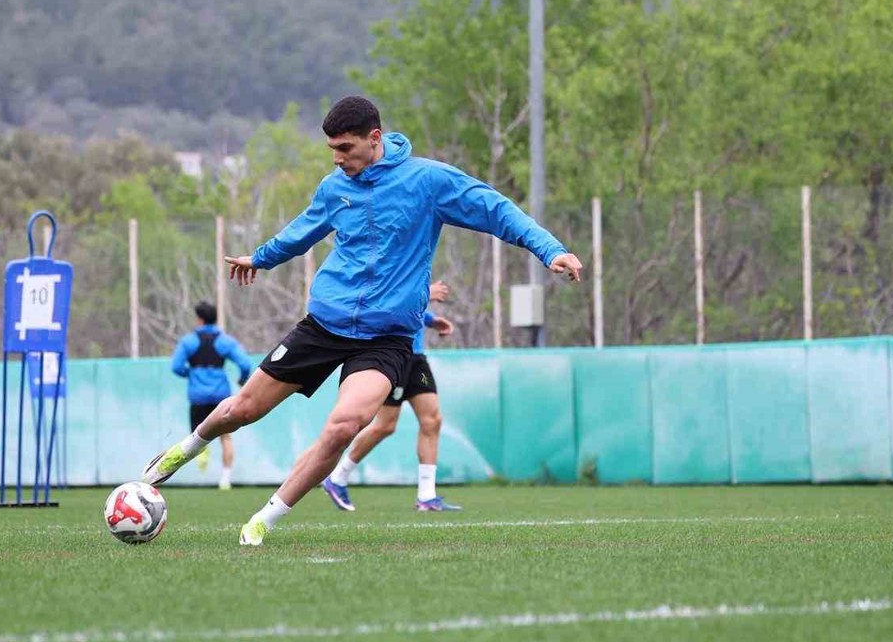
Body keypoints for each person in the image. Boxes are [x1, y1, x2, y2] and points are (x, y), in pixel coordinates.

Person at [141, 95, 582, 546]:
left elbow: (496, 210)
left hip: (386, 340)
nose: (337, 158)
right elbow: (302, 230)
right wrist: (261, 258)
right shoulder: (334, 187)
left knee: (343, 426)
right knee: (243, 410)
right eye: (331, 149)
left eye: (345, 148)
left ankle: (261, 522)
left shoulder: (428, 181)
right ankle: (185, 449)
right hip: (323, 326)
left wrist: (550, 250)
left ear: (375, 139)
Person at [322, 280, 461, 512]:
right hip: (394, 355)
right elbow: (387, 300)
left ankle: (427, 496)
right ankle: (337, 477)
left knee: (432, 420)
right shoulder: (385, 269)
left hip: (417, 358)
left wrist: (430, 320)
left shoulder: (414, 270)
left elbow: (409, 306)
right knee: (385, 426)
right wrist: (427, 293)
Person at [169, 301, 254, 490]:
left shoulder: (189, 341)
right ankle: (225, 479)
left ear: (199, 320)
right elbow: (245, 363)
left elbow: (176, 366)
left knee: (197, 434)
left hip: (198, 395)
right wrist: (242, 379)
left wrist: (190, 373)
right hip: (220, 395)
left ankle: (203, 450)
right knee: (226, 437)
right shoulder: (224, 341)